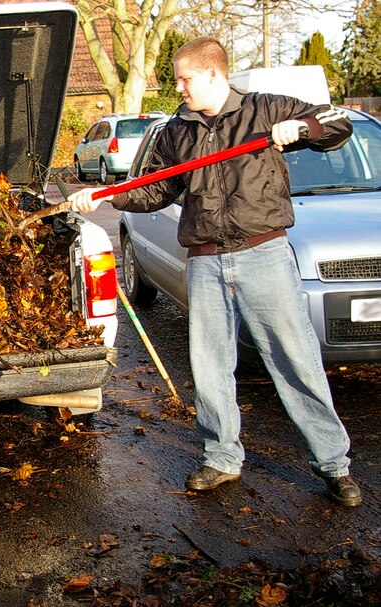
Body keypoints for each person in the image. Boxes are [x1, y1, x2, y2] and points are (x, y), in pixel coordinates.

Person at [69, 37, 361, 508]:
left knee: (294, 360)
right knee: (209, 365)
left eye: (184, 78)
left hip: (263, 253)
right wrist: (107, 196)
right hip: (204, 258)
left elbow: (338, 122)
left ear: (212, 74)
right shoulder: (176, 132)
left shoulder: (264, 110)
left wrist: (299, 127)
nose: (177, 86)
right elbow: (154, 192)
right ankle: (221, 456)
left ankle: (333, 464)